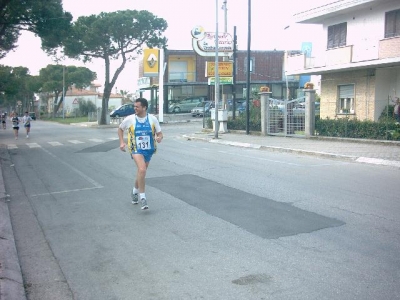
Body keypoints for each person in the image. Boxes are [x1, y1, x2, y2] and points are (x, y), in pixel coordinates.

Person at [118, 98, 163, 210]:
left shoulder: (152, 119)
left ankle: (134, 191)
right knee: (142, 169)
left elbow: (160, 133)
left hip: (149, 149)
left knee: (141, 172)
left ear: (144, 107)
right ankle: (142, 197)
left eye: (137, 107)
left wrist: (159, 138)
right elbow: (120, 129)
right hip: (135, 148)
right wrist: (122, 142)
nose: (135, 108)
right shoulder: (130, 119)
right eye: (134, 106)